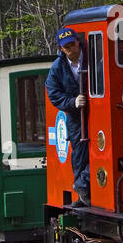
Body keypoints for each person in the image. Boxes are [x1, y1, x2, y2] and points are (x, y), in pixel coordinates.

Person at [46, 26, 90, 206]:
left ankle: (83, 186)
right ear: (61, 49)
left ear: (78, 42)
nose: (72, 50)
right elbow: (53, 93)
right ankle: (82, 194)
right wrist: (72, 102)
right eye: (67, 47)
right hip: (75, 116)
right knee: (79, 153)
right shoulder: (57, 68)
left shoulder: (92, 58)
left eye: (73, 45)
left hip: (97, 110)